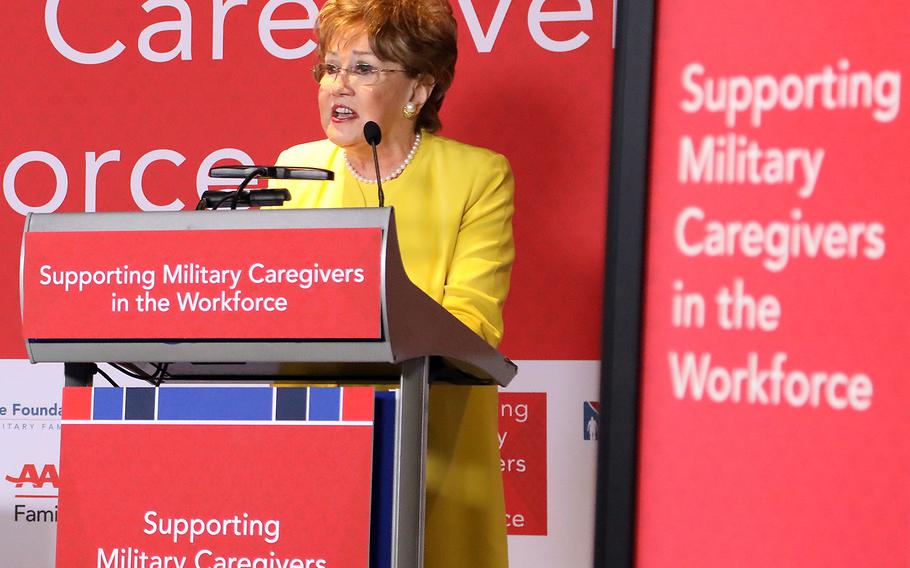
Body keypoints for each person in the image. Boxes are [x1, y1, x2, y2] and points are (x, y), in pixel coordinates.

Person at [270, 1, 515, 566]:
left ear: (418, 90)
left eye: (362, 69)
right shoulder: (292, 171)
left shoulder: (478, 176)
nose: (338, 86)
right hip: (317, 438)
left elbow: (474, 323)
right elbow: (274, 309)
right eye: (329, 69)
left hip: (435, 445)